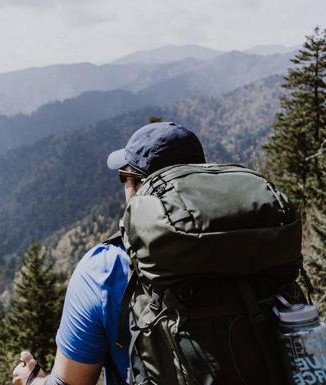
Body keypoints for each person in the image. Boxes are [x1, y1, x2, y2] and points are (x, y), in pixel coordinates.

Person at [12, 121, 206, 385]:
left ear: (137, 186)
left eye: (124, 177)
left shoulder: (104, 269)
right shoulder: (254, 245)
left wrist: (33, 379)